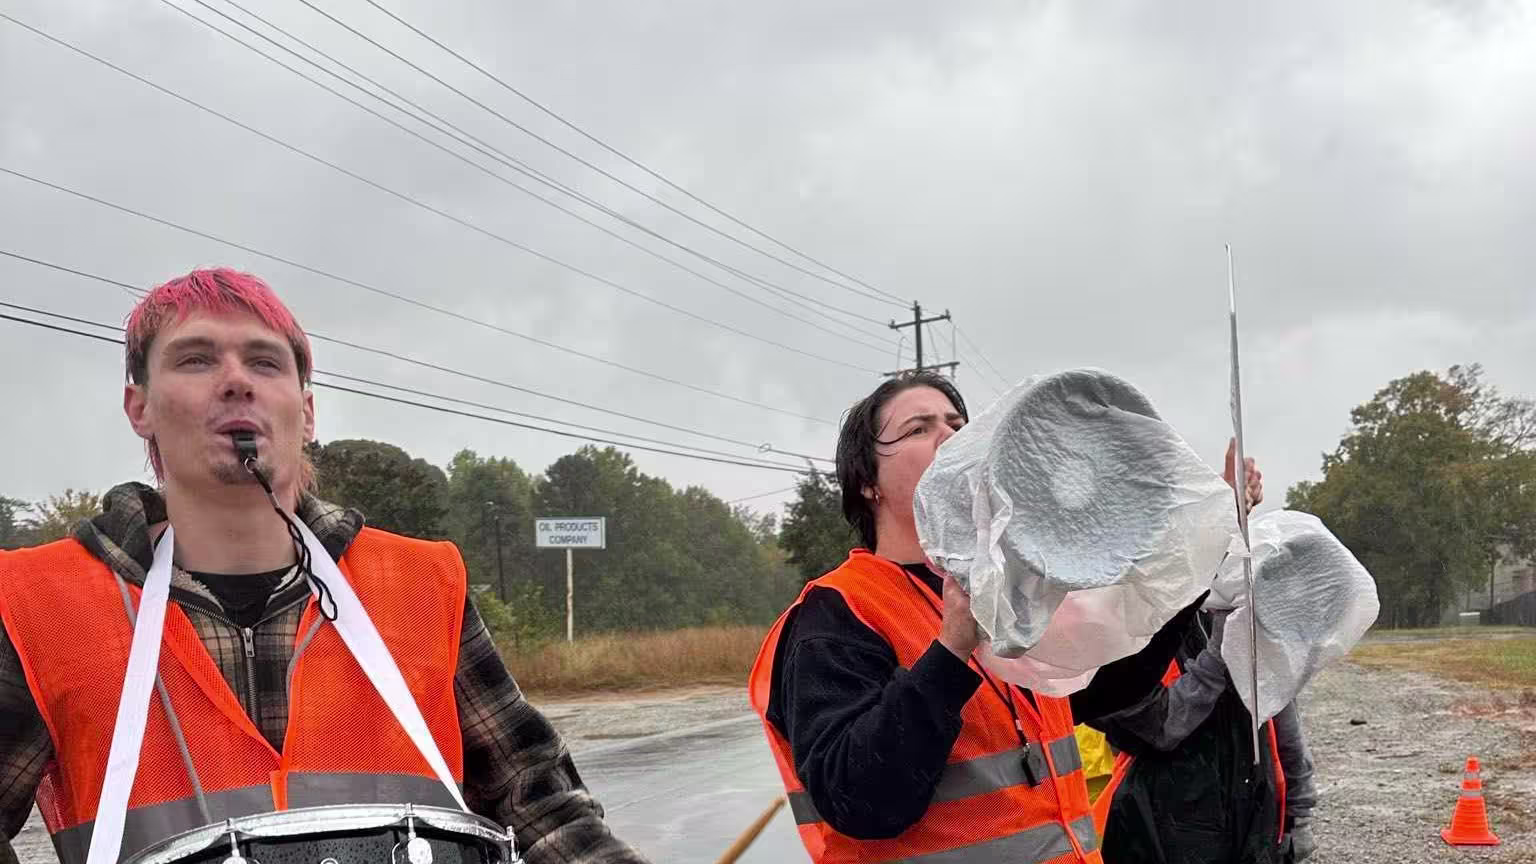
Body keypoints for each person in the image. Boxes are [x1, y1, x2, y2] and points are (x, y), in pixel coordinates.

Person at [0, 270, 648, 864]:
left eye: (264, 361)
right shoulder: (35, 606)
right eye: (196, 359)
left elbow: (538, 803)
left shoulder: (423, 586)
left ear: (306, 414)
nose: (235, 379)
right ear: (138, 408)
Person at [747, 370, 1264, 863]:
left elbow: (1110, 689)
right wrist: (951, 649)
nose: (948, 437)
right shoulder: (836, 613)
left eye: (957, 425)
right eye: (918, 428)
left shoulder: (1012, 590)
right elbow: (859, 798)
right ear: (867, 482)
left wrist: (1206, 542)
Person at [1089, 607, 1319, 863]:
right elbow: (1157, 727)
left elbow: (1281, 714)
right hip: (1160, 824)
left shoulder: (1235, 609)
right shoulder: (1123, 618)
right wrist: (1216, 657)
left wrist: (1299, 813)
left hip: (1253, 813)